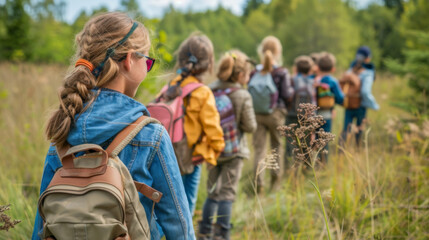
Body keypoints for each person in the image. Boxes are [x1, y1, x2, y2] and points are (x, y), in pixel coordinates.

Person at [32, 12, 195, 240]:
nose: (148, 68)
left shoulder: (63, 129)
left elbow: (41, 226)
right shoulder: (151, 134)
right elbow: (179, 226)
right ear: (129, 60)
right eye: (147, 61)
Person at [198, 50, 257, 240]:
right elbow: (250, 126)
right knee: (227, 193)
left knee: (212, 190)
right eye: (247, 74)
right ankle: (222, 234)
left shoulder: (209, 90)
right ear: (240, 75)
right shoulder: (242, 94)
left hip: (212, 150)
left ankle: (204, 231)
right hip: (234, 151)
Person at [169, 33, 225, 216]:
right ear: (208, 64)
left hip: (167, 152)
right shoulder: (203, 92)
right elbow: (212, 127)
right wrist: (217, 149)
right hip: (190, 156)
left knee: (167, 206)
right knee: (185, 207)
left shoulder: (172, 85)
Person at [251, 36, 293, 193]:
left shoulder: (254, 71)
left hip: (257, 114)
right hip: (276, 114)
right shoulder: (281, 72)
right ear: (278, 51)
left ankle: (258, 186)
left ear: (261, 50)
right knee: (276, 149)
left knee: (259, 150)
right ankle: (274, 186)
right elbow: (287, 94)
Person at [340, 46, 379, 146]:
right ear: (367, 58)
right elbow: (365, 92)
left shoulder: (351, 70)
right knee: (360, 128)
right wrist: (374, 105)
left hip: (349, 103)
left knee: (346, 128)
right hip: (361, 105)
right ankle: (358, 149)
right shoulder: (368, 73)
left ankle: (341, 149)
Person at [285, 56, 315, 168]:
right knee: (306, 145)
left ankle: (290, 167)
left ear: (296, 68)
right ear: (310, 69)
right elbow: (314, 101)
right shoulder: (313, 82)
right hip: (307, 117)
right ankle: (307, 168)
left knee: (291, 143)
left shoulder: (292, 80)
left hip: (292, 114)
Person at [315, 52, 344, 162]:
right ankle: (322, 164)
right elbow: (340, 98)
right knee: (324, 140)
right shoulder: (333, 81)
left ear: (318, 67)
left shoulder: (315, 80)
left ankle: (310, 164)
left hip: (312, 114)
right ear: (333, 68)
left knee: (313, 139)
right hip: (326, 115)